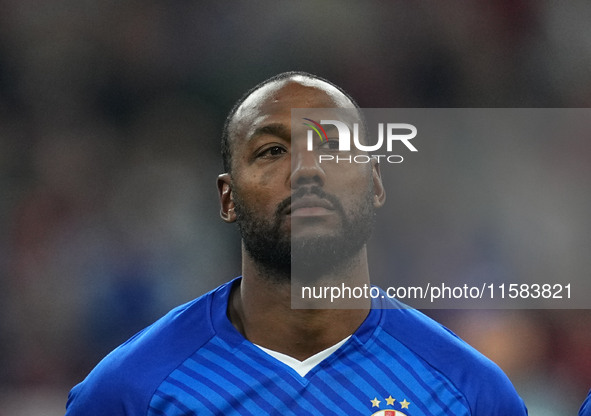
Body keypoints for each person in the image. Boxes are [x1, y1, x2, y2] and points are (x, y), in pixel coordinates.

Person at [65, 72, 528, 415]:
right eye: (272, 150)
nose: (308, 170)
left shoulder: (471, 393)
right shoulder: (128, 391)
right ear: (228, 198)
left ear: (375, 184)